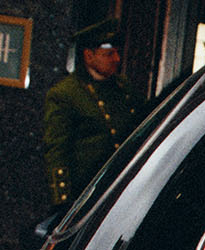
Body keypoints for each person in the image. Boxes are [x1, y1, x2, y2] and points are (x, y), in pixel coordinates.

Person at [43, 18, 144, 208]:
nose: (116, 59)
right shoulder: (66, 93)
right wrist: (63, 202)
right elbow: (57, 152)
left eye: (117, 53)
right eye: (109, 54)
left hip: (121, 192)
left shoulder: (125, 90)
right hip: (86, 194)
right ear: (89, 56)